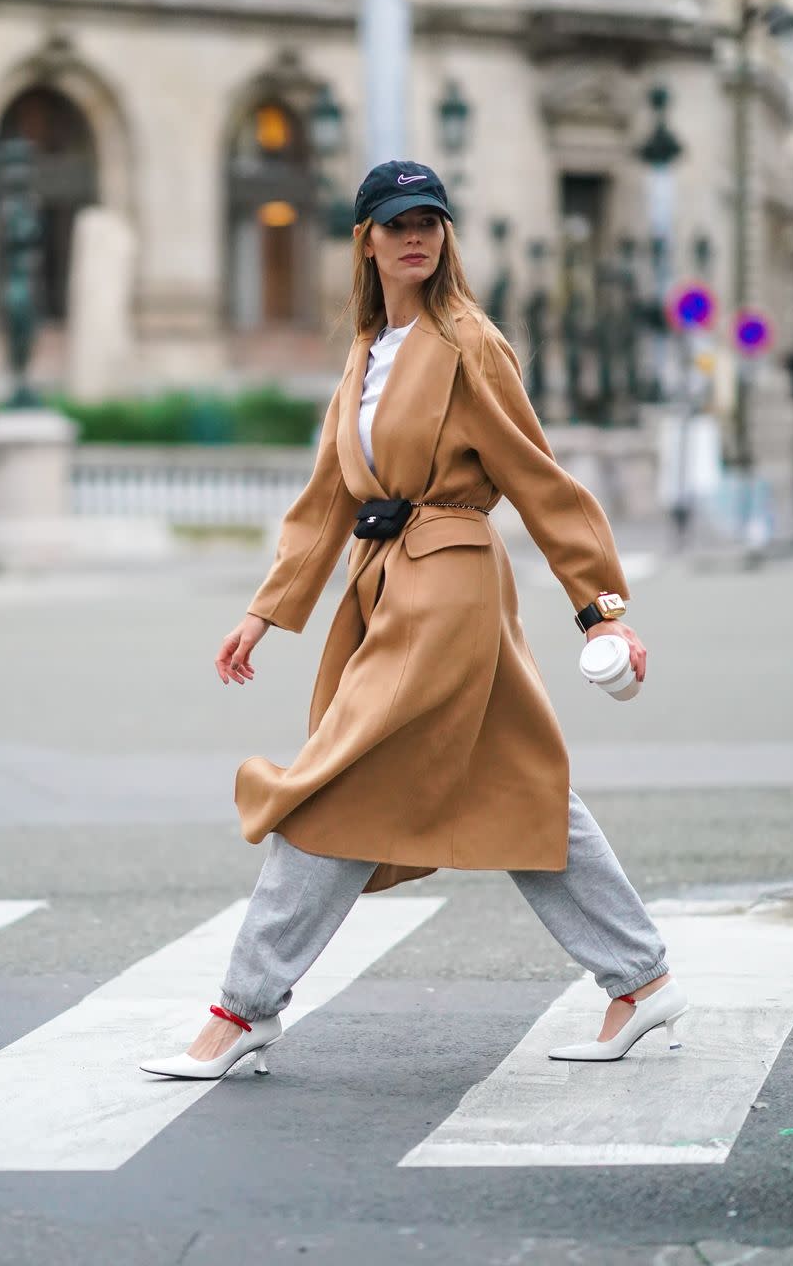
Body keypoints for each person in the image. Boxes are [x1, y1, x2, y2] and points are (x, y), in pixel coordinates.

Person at [139, 161, 688, 1082]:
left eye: (429, 220)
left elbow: (540, 481)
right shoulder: (368, 348)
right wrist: (266, 612)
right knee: (522, 789)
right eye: (396, 223)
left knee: (328, 785)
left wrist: (603, 610)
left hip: (448, 593)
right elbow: (326, 500)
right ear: (365, 240)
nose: (416, 236)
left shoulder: (467, 342)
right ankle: (641, 980)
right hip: (389, 586)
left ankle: (242, 1009)